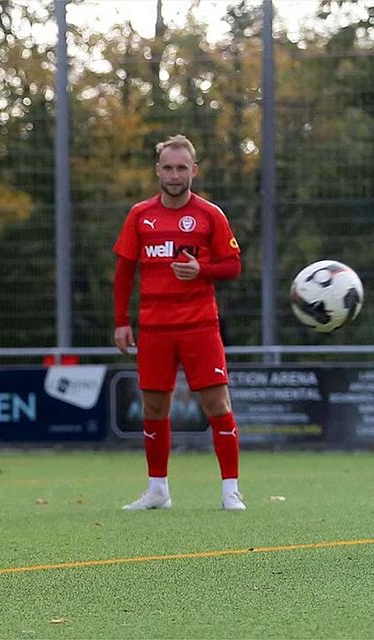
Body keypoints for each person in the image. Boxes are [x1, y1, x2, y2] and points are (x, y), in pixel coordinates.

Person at [112, 134, 245, 512]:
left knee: (217, 403)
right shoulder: (140, 214)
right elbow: (124, 273)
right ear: (158, 171)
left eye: (181, 168)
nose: (174, 174)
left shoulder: (210, 215)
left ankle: (230, 490)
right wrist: (121, 321)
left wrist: (201, 269)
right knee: (153, 407)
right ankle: (158, 490)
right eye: (168, 168)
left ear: (194, 171)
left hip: (200, 325)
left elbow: (233, 265)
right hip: (154, 328)